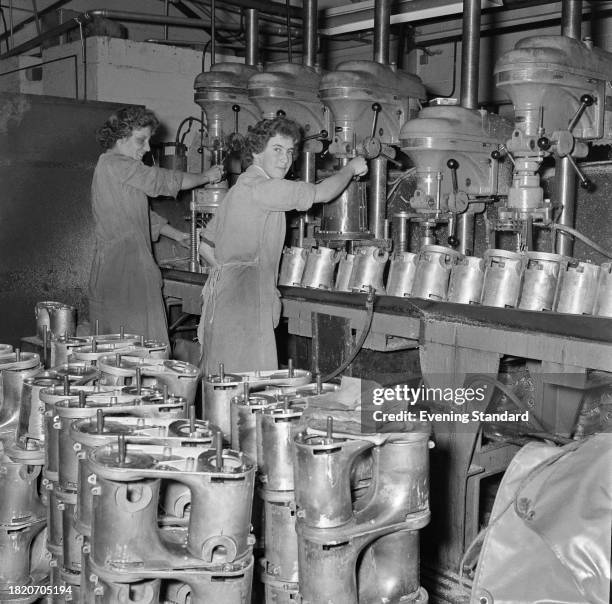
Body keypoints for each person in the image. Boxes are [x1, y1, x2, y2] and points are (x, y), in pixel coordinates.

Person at [197, 116, 368, 375]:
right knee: (248, 384)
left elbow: (205, 247)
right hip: (246, 300)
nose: (285, 158)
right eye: (276, 149)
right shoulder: (264, 188)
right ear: (256, 151)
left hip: (224, 298)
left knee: (223, 380)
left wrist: (232, 274)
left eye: (289, 152)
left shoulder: (238, 188)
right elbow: (321, 193)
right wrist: (351, 169)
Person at [88, 106, 223, 345]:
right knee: (135, 346)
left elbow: (138, 214)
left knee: (128, 347)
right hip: (124, 270)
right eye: (141, 140)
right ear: (120, 137)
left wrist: (177, 235)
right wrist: (206, 176)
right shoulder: (118, 164)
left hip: (121, 266)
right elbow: (161, 181)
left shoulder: (112, 169)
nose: (147, 148)